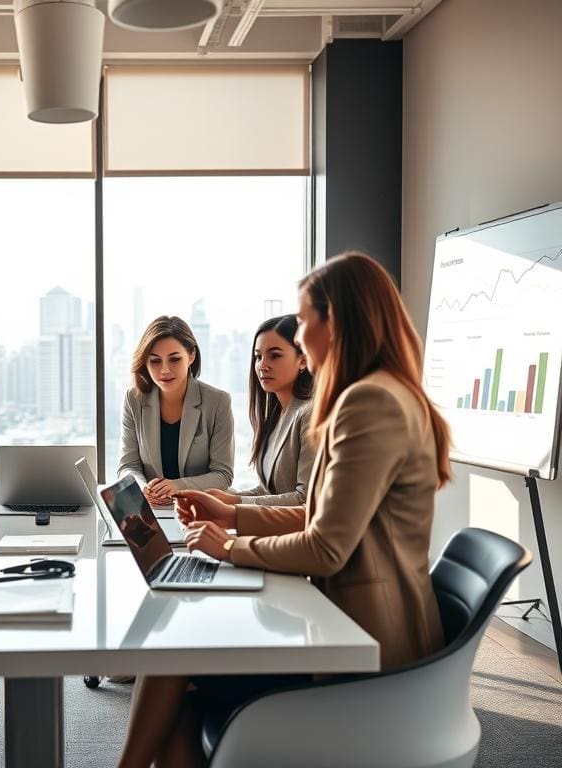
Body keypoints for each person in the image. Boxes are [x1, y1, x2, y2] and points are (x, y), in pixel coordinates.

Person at [117, 252, 451, 768]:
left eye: (303, 325)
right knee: (174, 660)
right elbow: (320, 514)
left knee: (173, 661)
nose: (297, 342)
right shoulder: (377, 395)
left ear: (334, 322)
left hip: (365, 647)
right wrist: (230, 514)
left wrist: (228, 546)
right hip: (342, 622)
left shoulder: (368, 404)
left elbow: (325, 546)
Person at [118, 316, 234, 506]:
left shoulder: (218, 401)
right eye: (155, 361)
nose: (164, 370)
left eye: (174, 359)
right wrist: (142, 488)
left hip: (201, 508)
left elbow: (223, 474)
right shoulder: (134, 399)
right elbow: (128, 465)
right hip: (152, 508)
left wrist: (178, 486)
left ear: (191, 356)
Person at [209, 314, 314, 507]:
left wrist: (234, 502)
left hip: (293, 534)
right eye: (258, 356)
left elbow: (305, 498)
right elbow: (268, 491)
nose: (262, 365)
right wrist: (218, 499)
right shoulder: (274, 415)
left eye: (274, 355)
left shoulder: (310, 414)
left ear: (303, 360)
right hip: (269, 530)